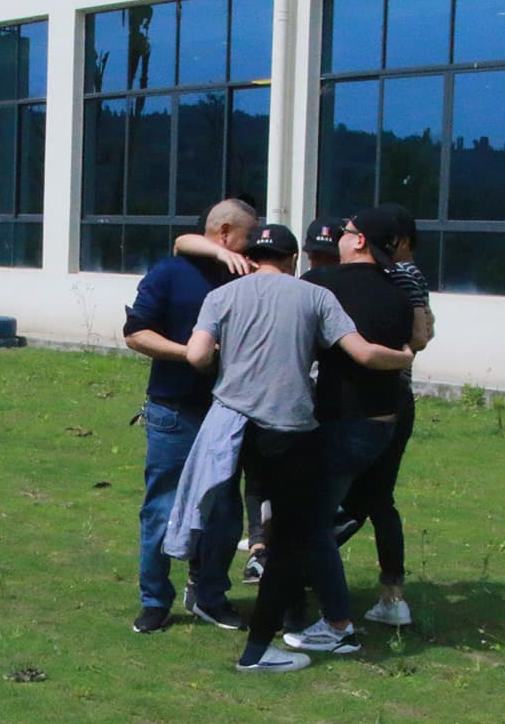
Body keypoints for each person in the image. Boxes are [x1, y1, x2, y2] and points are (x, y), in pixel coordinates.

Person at [176, 223, 413, 674]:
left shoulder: (222, 295)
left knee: (235, 511)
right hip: (287, 429)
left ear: (252, 257)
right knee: (289, 538)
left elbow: (196, 355)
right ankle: (260, 648)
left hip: (232, 427)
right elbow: (363, 354)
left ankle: (209, 594)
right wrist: (403, 357)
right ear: (292, 260)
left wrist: (227, 362)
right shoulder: (314, 295)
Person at [279, 209, 419, 654]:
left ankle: (337, 625)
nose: (340, 238)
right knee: (348, 510)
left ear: (359, 242)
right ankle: (302, 601)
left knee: (311, 521)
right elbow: (414, 341)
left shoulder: (323, 284)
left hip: (342, 424)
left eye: (346, 232)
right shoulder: (398, 293)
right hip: (384, 425)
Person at [124, 198, 257, 634]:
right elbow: (136, 334)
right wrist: (190, 354)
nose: (252, 246)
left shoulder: (247, 276)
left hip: (229, 411)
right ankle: (155, 600)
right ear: (224, 233)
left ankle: (209, 595)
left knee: (223, 512)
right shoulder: (170, 273)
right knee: (161, 508)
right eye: (248, 237)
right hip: (174, 410)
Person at [338, 204, 436, 627]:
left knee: (357, 497)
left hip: (380, 396)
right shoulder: (408, 277)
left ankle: (300, 563)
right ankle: (392, 593)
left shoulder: (401, 274)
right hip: (395, 395)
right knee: (377, 499)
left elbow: (420, 335)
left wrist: (399, 353)